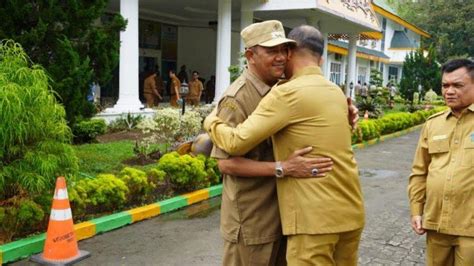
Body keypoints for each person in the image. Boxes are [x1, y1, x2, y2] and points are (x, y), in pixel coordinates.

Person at [205, 24, 365, 265]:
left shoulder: (285, 91)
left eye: (284, 50)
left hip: (293, 218)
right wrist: (282, 167)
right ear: (250, 56)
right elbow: (226, 163)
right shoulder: (238, 97)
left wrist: (208, 122)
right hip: (253, 220)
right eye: (272, 51)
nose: (280, 57)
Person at [407, 58, 474, 266]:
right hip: (436, 225)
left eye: (457, 85)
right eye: (445, 85)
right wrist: (417, 210)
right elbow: (420, 171)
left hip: (470, 227)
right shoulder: (433, 124)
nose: (449, 91)